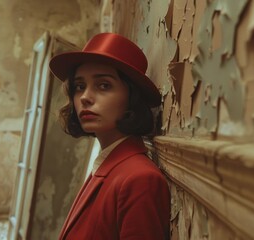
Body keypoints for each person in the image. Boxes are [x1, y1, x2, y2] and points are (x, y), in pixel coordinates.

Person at [49, 32, 170, 240]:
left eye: (103, 85)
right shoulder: (108, 162)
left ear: (132, 98)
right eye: (79, 86)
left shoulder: (140, 179)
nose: (85, 97)